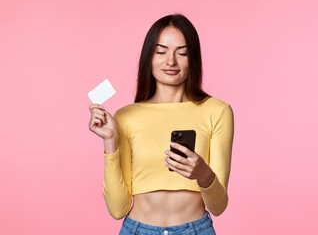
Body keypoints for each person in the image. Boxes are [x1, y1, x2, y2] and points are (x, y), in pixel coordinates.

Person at [89, 13, 234, 235]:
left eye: (182, 52)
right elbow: (117, 209)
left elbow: (218, 206)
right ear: (149, 57)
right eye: (161, 51)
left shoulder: (217, 111)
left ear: (193, 58)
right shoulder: (126, 116)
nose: (171, 61)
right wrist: (110, 141)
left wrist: (203, 174)